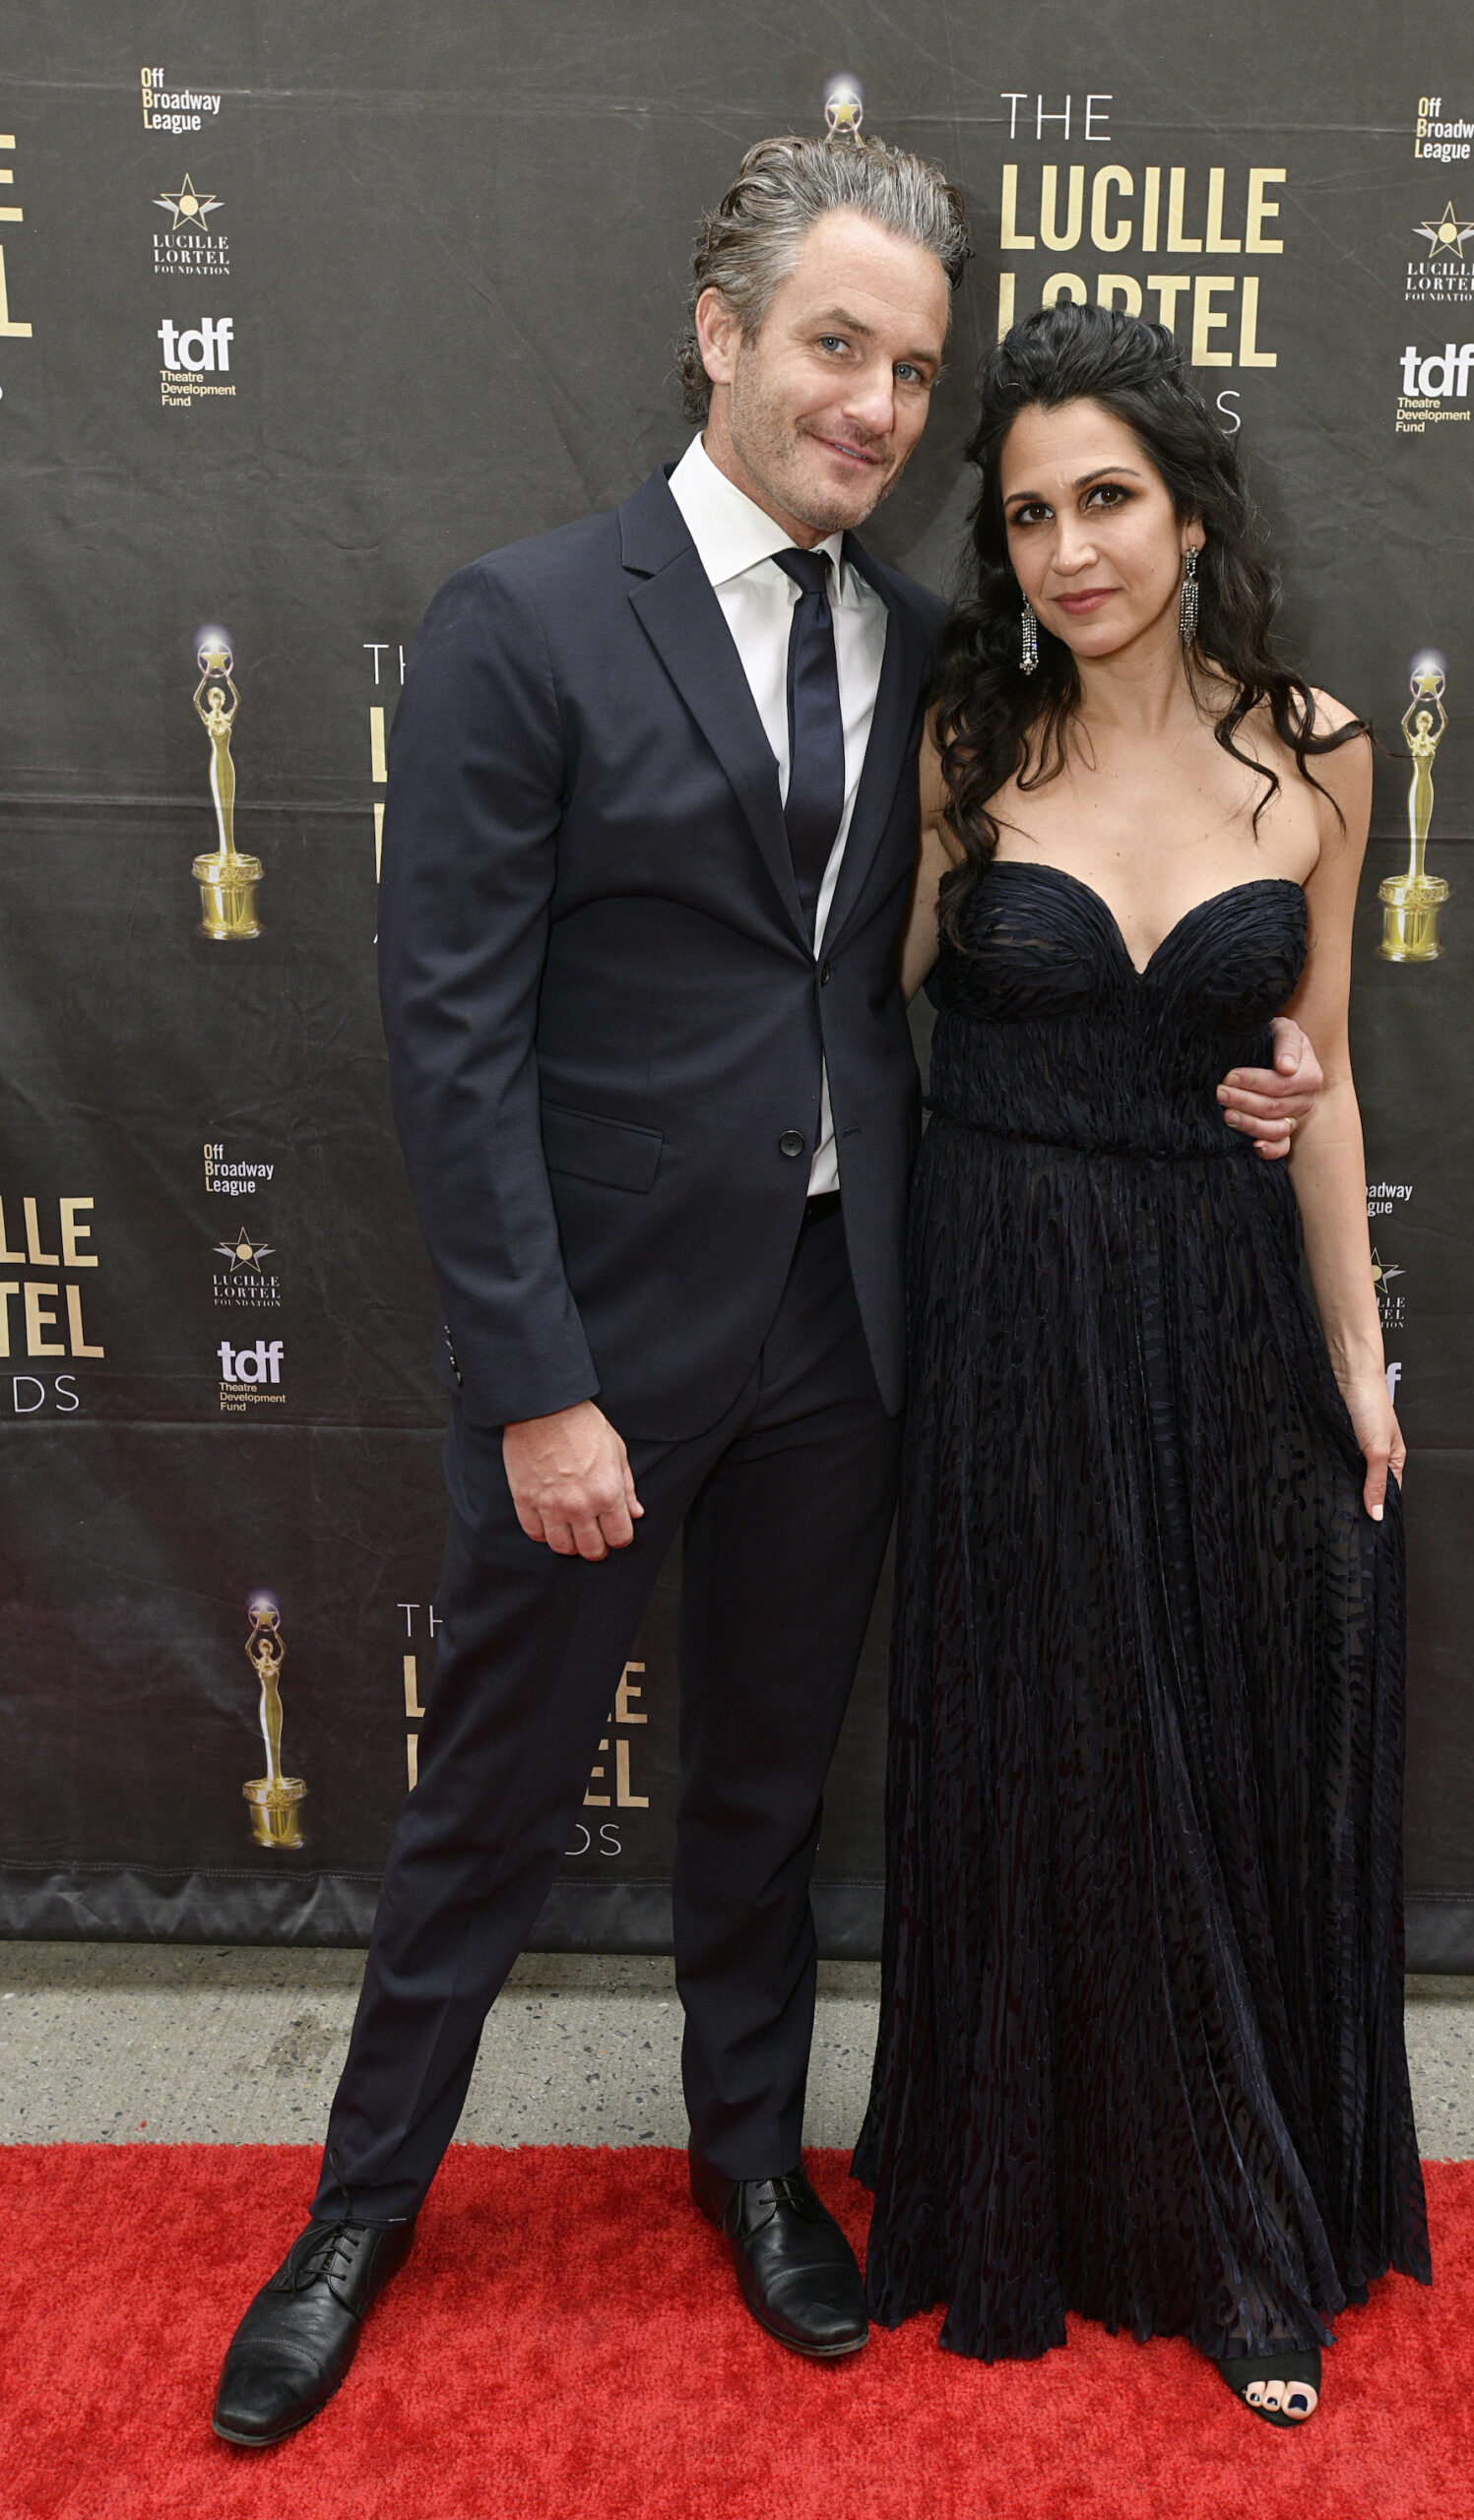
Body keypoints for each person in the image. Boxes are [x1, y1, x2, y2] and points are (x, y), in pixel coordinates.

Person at [212, 146, 1318, 2447]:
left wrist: (1270, 1051)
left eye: (913, 369)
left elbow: (1086, 885)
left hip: (850, 1324)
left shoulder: (933, 645)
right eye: (839, 345)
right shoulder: (522, 620)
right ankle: (355, 2206)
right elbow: (450, 1033)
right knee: (489, 1802)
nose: (880, 406)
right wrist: (535, 1383)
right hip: (594, 1346)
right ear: (718, 331)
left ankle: (749, 2165)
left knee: (760, 1795)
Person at [854, 302, 1431, 2427]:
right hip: (1008, 1305)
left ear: (1187, 511)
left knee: (1199, 1750)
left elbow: (1329, 1075)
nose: (1068, 549)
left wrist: (1356, 1361)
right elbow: (863, 1007)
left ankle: (1236, 2226)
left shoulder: (1323, 752)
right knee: (1045, 1742)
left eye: (1106, 498)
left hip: (1211, 1304)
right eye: (1024, 515)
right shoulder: (963, 746)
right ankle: (1044, 2187)